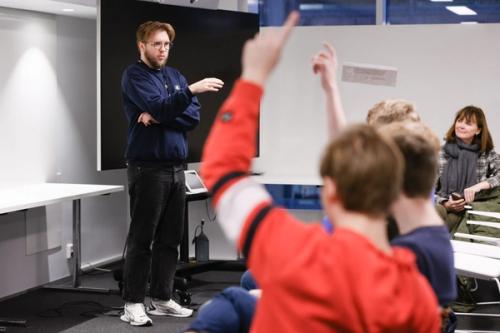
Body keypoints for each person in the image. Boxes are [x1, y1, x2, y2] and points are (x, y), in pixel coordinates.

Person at [190, 12, 440, 332]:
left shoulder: (291, 250)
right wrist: (330, 89)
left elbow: (222, 171)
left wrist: (252, 78)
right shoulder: (417, 297)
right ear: (398, 195)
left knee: (229, 305)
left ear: (330, 191)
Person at [120, 20, 224, 327]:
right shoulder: (134, 75)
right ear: (142, 46)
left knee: (169, 240)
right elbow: (164, 106)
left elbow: (192, 117)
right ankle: (133, 303)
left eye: (166, 44)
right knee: (142, 239)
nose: (163, 49)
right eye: (157, 44)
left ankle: (162, 298)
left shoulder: (174, 76)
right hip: (147, 168)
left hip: (177, 168)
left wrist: (162, 113)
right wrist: (188, 92)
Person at [435, 106, 500, 232]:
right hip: (446, 208)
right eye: (459, 121)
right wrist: (446, 204)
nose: (461, 125)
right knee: (436, 212)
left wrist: (480, 186)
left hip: (472, 209)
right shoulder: (441, 154)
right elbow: (428, 190)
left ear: (478, 130)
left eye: (468, 123)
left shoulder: (487, 154)